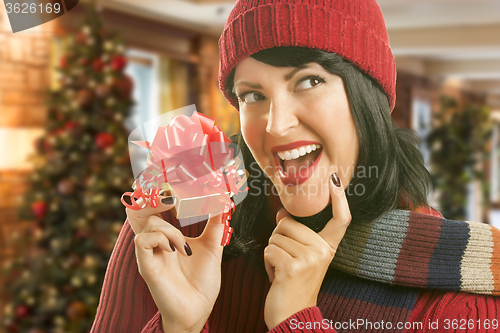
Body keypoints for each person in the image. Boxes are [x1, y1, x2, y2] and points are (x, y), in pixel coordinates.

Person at [91, 0, 500, 332]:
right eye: (252, 95)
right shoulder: (180, 219)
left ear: (367, 100)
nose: (276, 124)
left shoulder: (458, 298)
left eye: (308, 81)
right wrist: (181, 326)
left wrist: (295, 320)